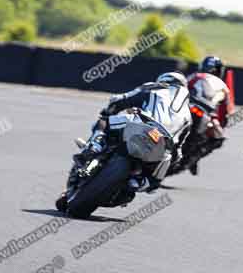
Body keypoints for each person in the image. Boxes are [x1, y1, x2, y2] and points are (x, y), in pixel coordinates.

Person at [56, 72, 192, 212]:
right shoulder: (188, 115)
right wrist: (169, 161)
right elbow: (179, 150)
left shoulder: (154, 88)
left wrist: (109, 111)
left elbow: (119, 99)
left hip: (142, 124)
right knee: (156, 178)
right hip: (164, 144)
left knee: (104, 122)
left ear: (165, 81)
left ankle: (94, 146)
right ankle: (139, 182)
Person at [184, 56, 233, 175]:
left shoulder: (191, 77)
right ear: (218, 71)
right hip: (200, 113)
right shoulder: (221, 84)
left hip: (186, 111)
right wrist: (220, 123)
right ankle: (194, 157)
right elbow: (225, 111)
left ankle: (192, 156)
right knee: (219, 138)